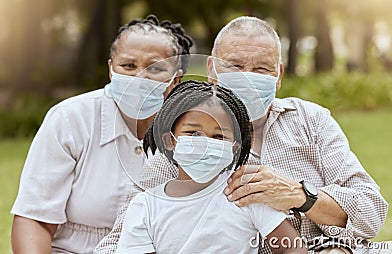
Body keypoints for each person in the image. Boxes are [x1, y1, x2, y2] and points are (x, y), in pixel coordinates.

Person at [95, 16, 388, 254]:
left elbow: (371, 212)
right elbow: (120, 236)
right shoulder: (184, 142)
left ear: (279, 75)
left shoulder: (311, 121)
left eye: (261, 68)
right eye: (234, 66)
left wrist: (299, 195)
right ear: (211, 70)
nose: (247, 76)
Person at [10, 14, 193, 253]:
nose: (139, 77)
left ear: (175, 80)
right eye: (128, 66)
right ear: (111, 69)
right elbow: (35, 218)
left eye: (155, 68)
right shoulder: (70, 118)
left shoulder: (193, 130)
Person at [117, 79, 307, 253]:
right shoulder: (146, 207)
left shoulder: (245, 195)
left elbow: (293, 248)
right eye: (193, 133)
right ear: (169, 141)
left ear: (234, 148)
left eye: (218, 136)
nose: (206, 143)